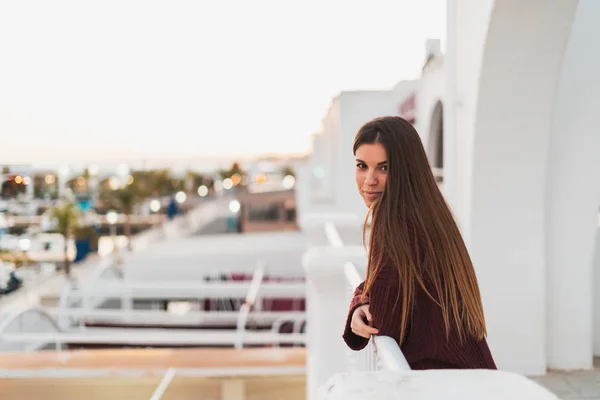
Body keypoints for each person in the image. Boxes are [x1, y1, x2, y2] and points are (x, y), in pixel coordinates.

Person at [342, 116, 496, 370]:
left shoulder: (398, 222)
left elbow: (382, 319)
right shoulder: (428, 213)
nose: (369, 180)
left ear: (406, 170)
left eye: (384, 168)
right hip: (468, 377)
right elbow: (389, 286)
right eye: (362, 166)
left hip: (449, 382)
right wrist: (361, 299)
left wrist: (361, 300)